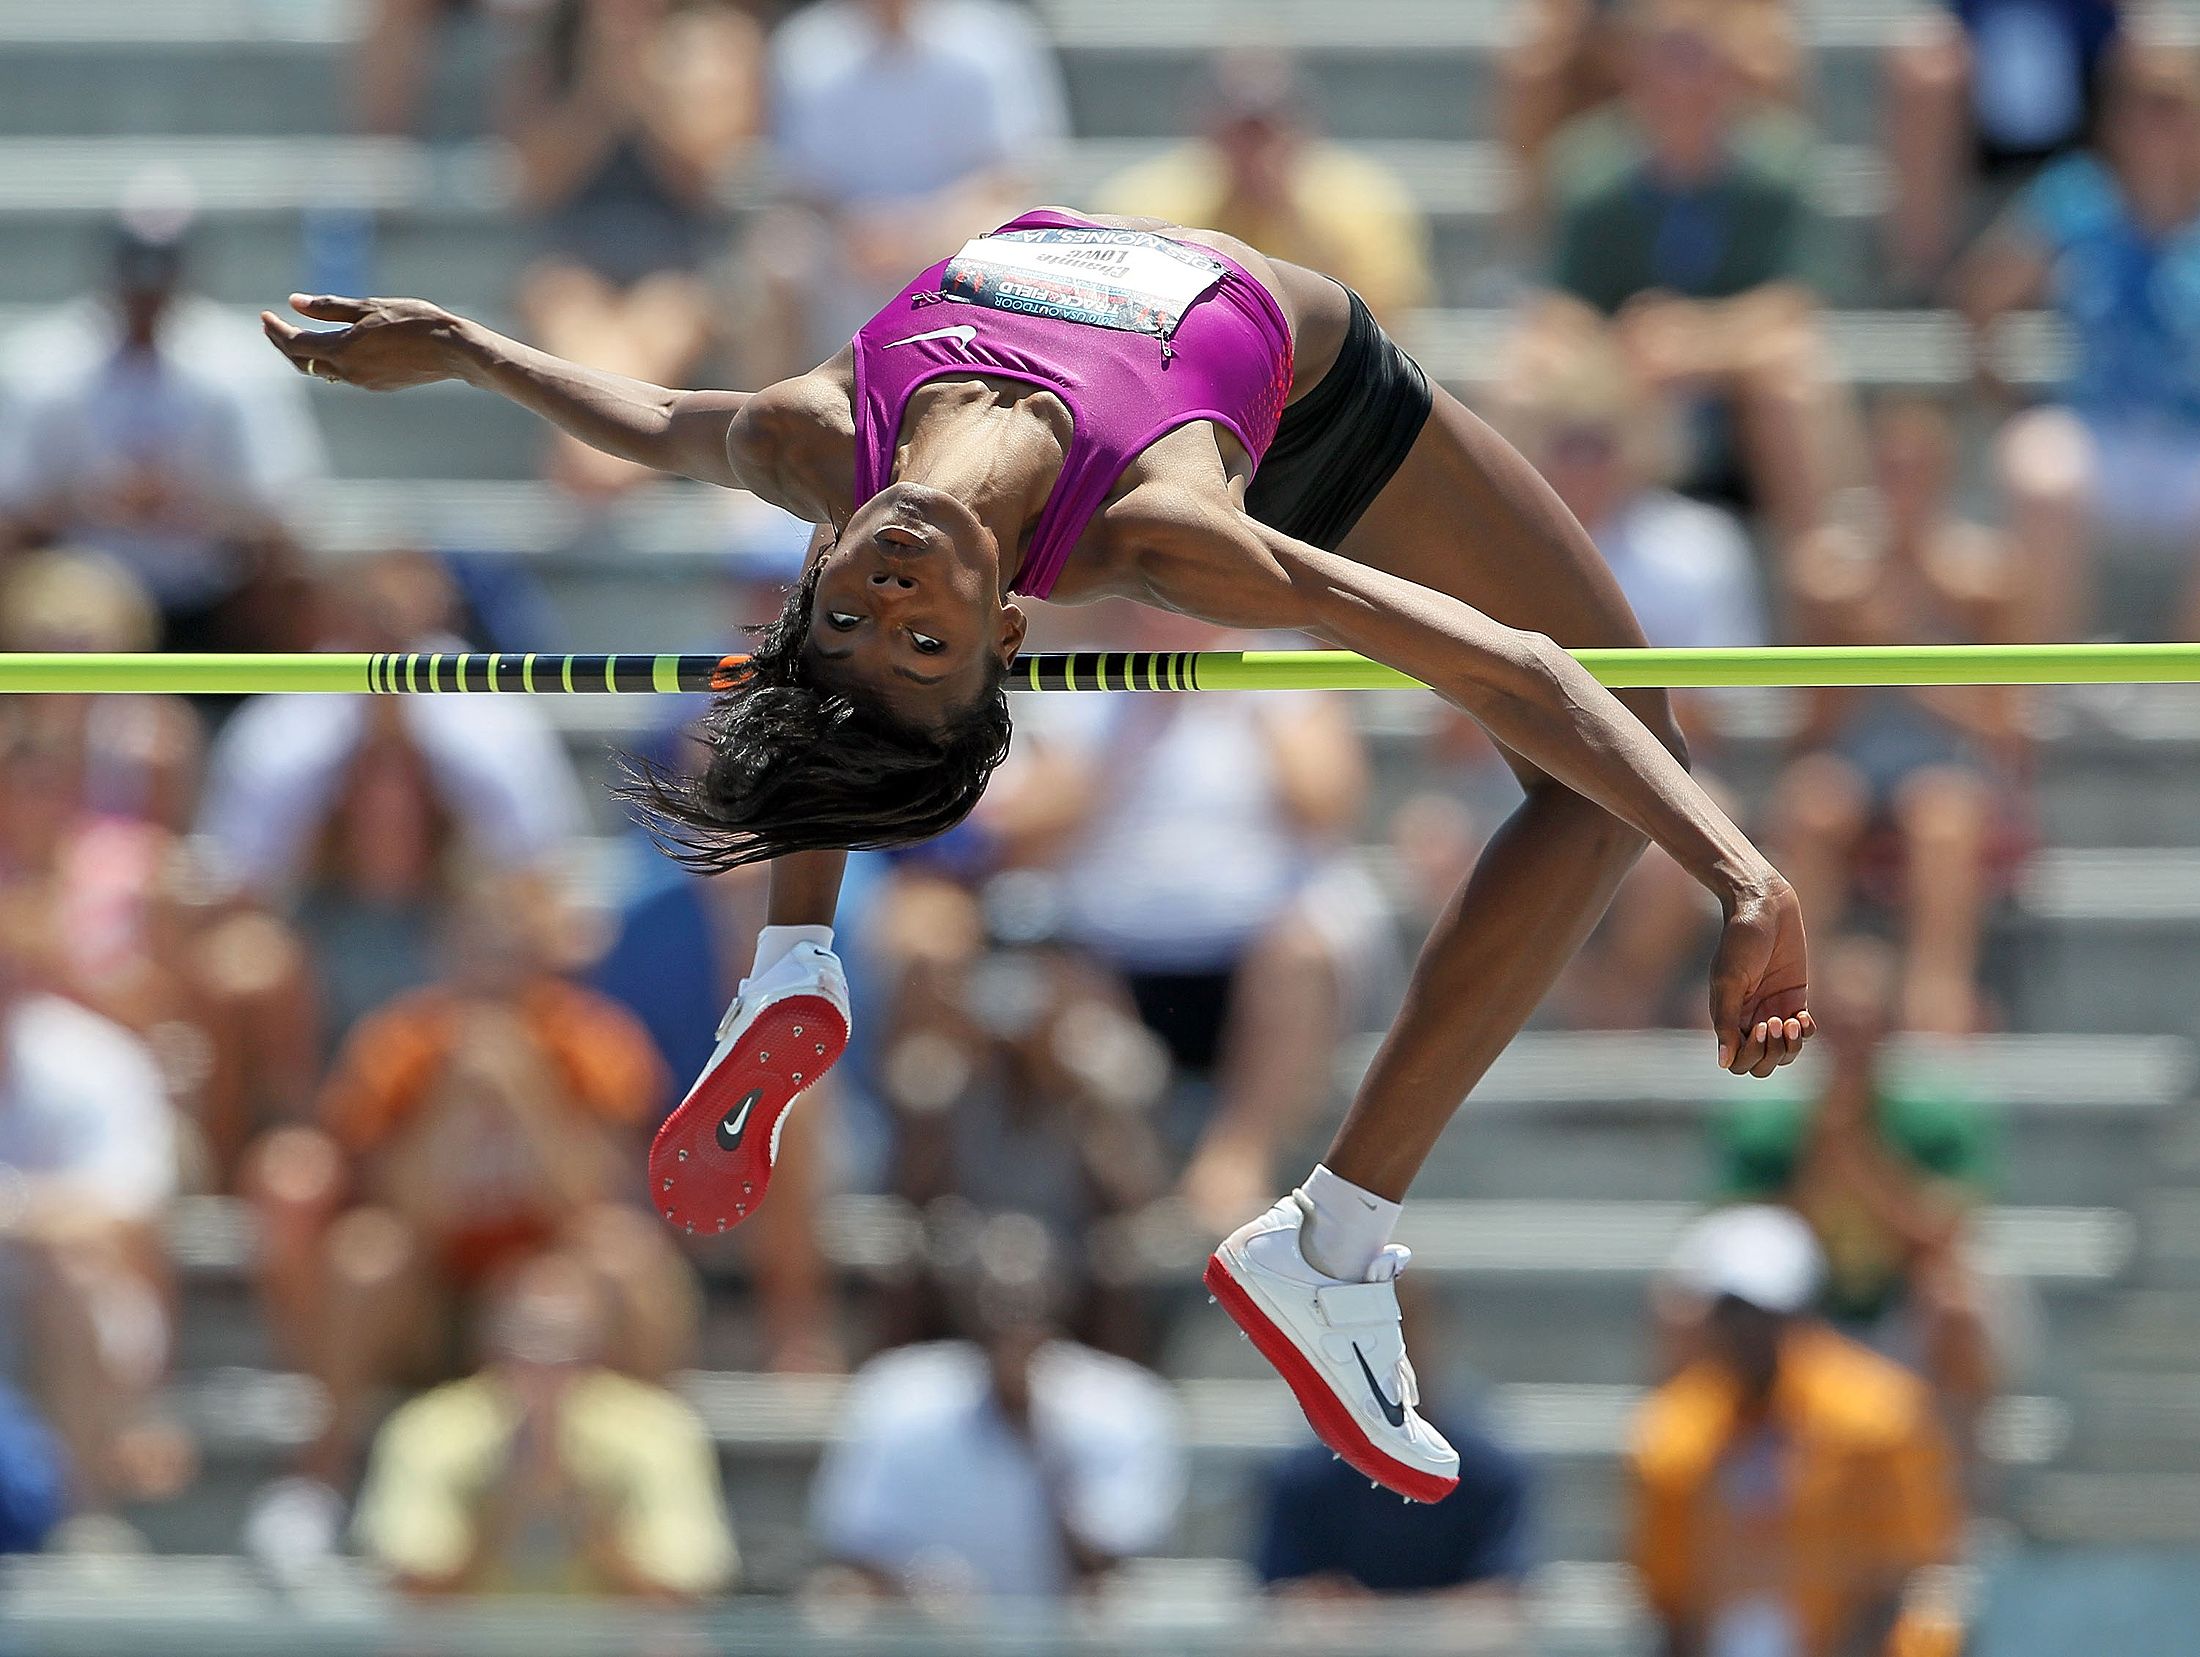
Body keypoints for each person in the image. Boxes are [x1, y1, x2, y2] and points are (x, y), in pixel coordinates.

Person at [261, 190, 1817, 1501]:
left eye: (862, 609)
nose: (894, 586)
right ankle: (1336, 1240)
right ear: (1007, 630)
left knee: (822, 682)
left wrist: (469, 349)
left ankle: (795, 957)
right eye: (926, 641)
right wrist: (1741, 873)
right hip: (1328, 407)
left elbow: (665, 418)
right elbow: (1525, 672)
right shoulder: (1166, 528)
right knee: (1625, 755)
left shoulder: (825, 449)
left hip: (1080, 331)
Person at [1534, 0, 1858, 550]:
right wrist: (1632, 348)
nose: (1683, 82)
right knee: (1529, 376)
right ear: (1633, 69)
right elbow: (1562, 306)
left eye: (1697, 58)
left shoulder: (1780, 166)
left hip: (1738, 387)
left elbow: (1794, 301)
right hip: (1625, 378)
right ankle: (1530, 573)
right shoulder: (1587, 167)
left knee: (1796, 379)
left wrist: (1698, 344)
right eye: (1668, 58)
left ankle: (1827, 579)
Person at [1765, 397, 2027, 1035]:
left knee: (1941, 820)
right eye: (1890, 467)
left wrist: (1900, 649)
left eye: (1916, 468)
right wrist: (1845, 639)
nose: (1901, 483)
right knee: (1811, 804)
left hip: (1945, 766)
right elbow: (1809, 726)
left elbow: (2003, 725)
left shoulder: (1986, 578)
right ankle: (1797, 998)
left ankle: (1934, 1003)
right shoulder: (1832, 577)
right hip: (1853, 763)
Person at [1632, 1205, 1964, 1657]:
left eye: (1764, 1311)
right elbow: (1671, 1600)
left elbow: (1896, 1576)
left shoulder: (1879, 1416)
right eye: (1733, 1311)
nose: (1749, 1330)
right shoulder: (1673, 1431)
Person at [0, 195, 324, 652]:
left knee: (291, 583)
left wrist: (192, 508)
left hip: (211, 598)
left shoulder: (240, 368)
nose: (146, 292)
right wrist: (91, 502)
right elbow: (11, 514)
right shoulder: (43, 365)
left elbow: (284, 516)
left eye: (161, 270)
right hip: (74, 607)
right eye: (135, 269)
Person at [1959, 34, 2200, 642]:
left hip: (2190, 435)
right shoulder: (2077, 196)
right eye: (2138, 102)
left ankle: (2185, 697)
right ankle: (2051, 691)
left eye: (2172, 104)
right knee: (2040, 471)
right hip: (2099, 429)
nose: (2155, 122)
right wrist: (2005, 394)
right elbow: (1982, 294)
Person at [807, 1218, 1185, 1600]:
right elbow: (857, 1556)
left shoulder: (1124, 1405)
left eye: (1026, 1302)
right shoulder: (897, 1396)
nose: (1012, 1314)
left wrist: (1032, 1426)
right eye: (999, 1301)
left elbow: (1109, 1571)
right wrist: (919, 1592)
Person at [1714, 935, 2002, 1436]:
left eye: (1863, 1026)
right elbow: (1741, 1238)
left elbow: (1941, 1236)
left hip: (1899, 1304)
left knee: (1958, 1306)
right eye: (1839, 1026)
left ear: (1887, 1030)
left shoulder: (1936, 1120)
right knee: (1693, 1309)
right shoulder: (1770, 1123)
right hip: (1804, 1309)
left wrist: (1855, 1160)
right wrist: (1817, 1156)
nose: (1851, 1042)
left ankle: (1957, 1486)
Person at [353, 1247, 737, 1597]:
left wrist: (582, 1517)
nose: (544, 1364)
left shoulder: (658, 1433)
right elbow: (409, 1594)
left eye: (566, 1344)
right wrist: (505, 1505)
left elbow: (682, 1596)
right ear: (490, 1346)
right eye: (526, 1341)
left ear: (600, 1348)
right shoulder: (429, 1432)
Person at [502, 0, 764, 498]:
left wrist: (645, 88)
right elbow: (534, 182)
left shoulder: (716, 39)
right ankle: (610, 467)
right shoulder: (549, 46)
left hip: (678, 263)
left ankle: (594, 467)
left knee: (665, 320)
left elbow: (703, 179)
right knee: (566, 309)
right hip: (574, 259)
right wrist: (598, 96)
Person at [742, 0, 1068, 380]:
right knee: (780, 256)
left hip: (958, 228)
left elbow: (1012, 174)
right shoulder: (804, 48)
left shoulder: (994, 39)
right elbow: (798, 181)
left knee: (1004, 235)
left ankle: (1002, 403)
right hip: (840, 235)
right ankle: (774, 421)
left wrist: (923, 231)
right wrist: (857, 230)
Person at [0, 890, 190, 1539]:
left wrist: (15, 1213)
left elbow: (128, 1213)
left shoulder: (95, 1061)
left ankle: (83, 1523)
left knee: (68, 1271)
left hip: (86, 1309)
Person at [1096, 52, 1433, 324]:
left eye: (1269, 131)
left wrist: (1292, 216)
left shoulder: (1364, 200)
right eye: (1240, 132)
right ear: (1205, 127)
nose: (1254, 149)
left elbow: (1386, 322)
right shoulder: (1146, 198)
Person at [1882, 0, 2124, 294]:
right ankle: (1926, 281)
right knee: (1927, 73)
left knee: (2159, 81)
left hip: (2085, 140)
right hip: (1984, 145)